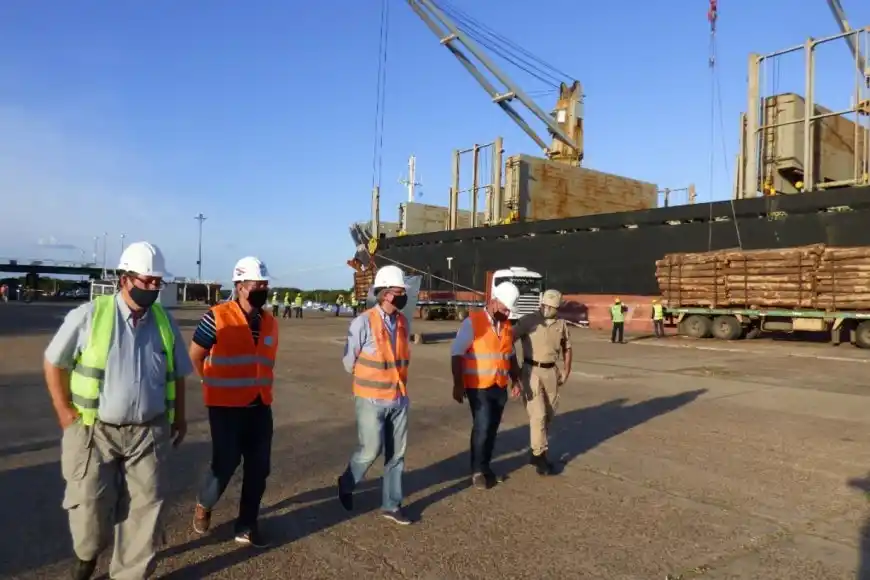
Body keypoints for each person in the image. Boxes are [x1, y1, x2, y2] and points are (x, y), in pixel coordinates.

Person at [43, 241, 192, 580]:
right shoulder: (89, 316)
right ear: (124, 279)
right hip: (94, 431)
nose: (155, 288)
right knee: (89, 512)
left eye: (158, 282)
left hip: (148, 432)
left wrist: (178, 416)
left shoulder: (163, 322)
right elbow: (53, 362)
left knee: (146, 508)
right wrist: (64, 412)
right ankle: (87, 554)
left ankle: (129, 574)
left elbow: (177, 373)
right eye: (148, 281)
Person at [189, 256, 279, 548]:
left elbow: (264, 363)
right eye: (256, 284)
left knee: (258, 468)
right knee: (225, 464)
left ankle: (246, 525)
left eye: (265, 284)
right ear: (240, 286)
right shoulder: (216, 316)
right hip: (225, 409)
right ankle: (205, 503)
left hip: (259, 407)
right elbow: (196, 355)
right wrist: (208, 382)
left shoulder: (270, 322)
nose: (262, 289)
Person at [337, 265, 413, 525]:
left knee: (397, 455)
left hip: (398, 398)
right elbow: (349, 360)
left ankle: (392, 505)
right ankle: (347, 482)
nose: (404, 295)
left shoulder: (402, 322)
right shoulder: (363, 321)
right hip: (370, 399)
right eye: (400, 291)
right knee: (371, 450)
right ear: (386, 294)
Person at [450, 282, 522, 490]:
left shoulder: (507, 325)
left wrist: (515, 380)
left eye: (509, 310)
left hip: (499, 386)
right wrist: (457, 384)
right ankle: (478, 472)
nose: (508, 313)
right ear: (493, 302)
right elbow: (457, 354)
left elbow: (510, 354)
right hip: (478, 386)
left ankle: (486, 466)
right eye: (505, 308)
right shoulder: (472, 323)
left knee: (492, 428)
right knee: (482, 427)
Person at [512, 289, 572, 476]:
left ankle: (536, 450)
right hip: (531, 371)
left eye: (552, 307)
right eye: (546, 305)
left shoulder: (561, 325)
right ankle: (540, 456)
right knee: (537, 415)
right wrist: (514, 372)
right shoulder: (528, 321)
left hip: (551, 372)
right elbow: (507, 341)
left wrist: (566, 370)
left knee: (549, 413)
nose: (548, 309)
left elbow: (567, 348)